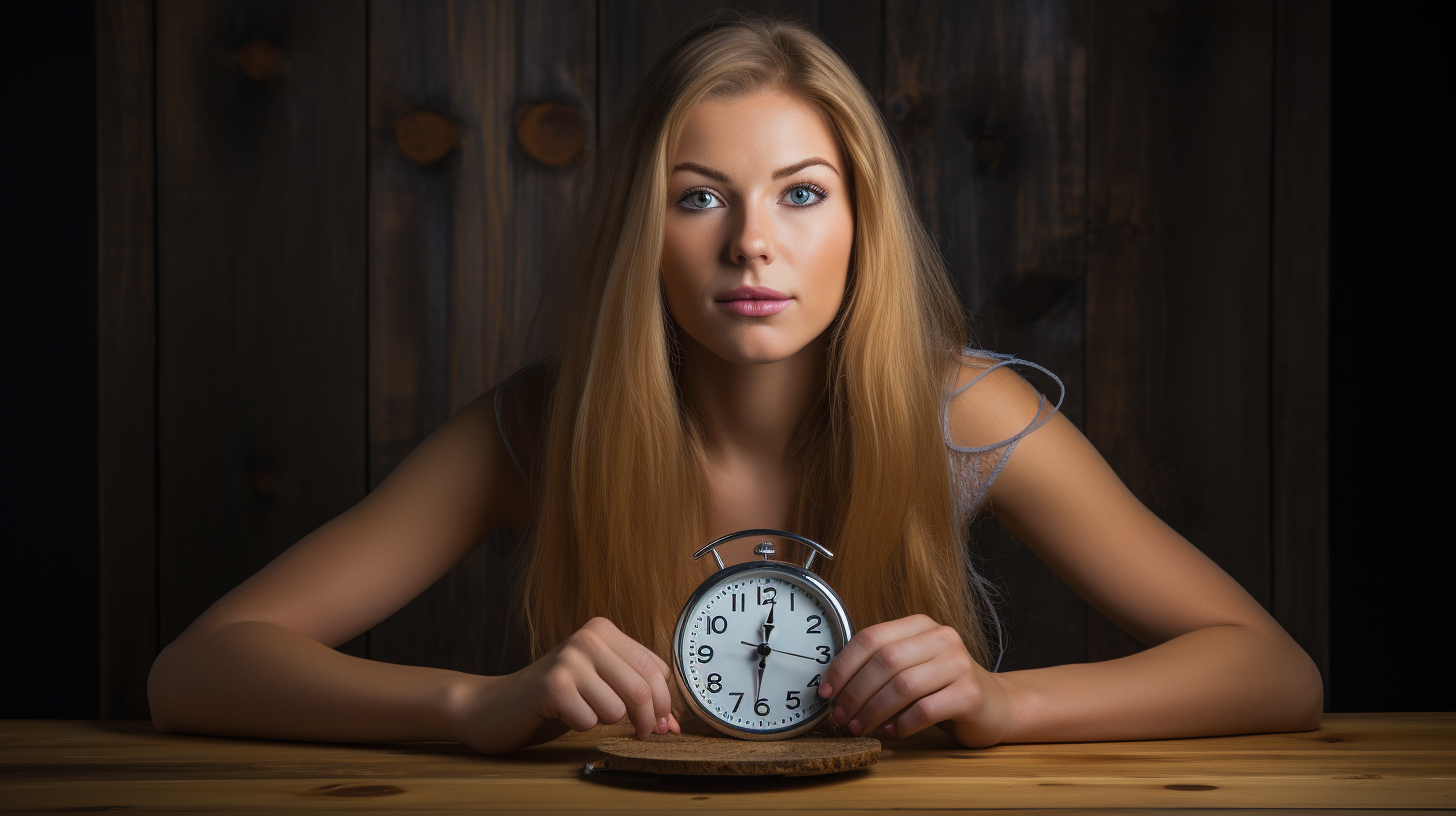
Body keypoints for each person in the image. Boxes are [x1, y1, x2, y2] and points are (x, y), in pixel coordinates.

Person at [147, 14, 1322, 755]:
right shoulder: (540, 429)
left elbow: (1271, 670)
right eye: (698, 195)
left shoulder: (962, 411)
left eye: (803, 193)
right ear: (639, 233)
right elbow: (198, 670)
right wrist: (479, 707)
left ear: (863, 225)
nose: (752, 243)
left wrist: (1008, 709)